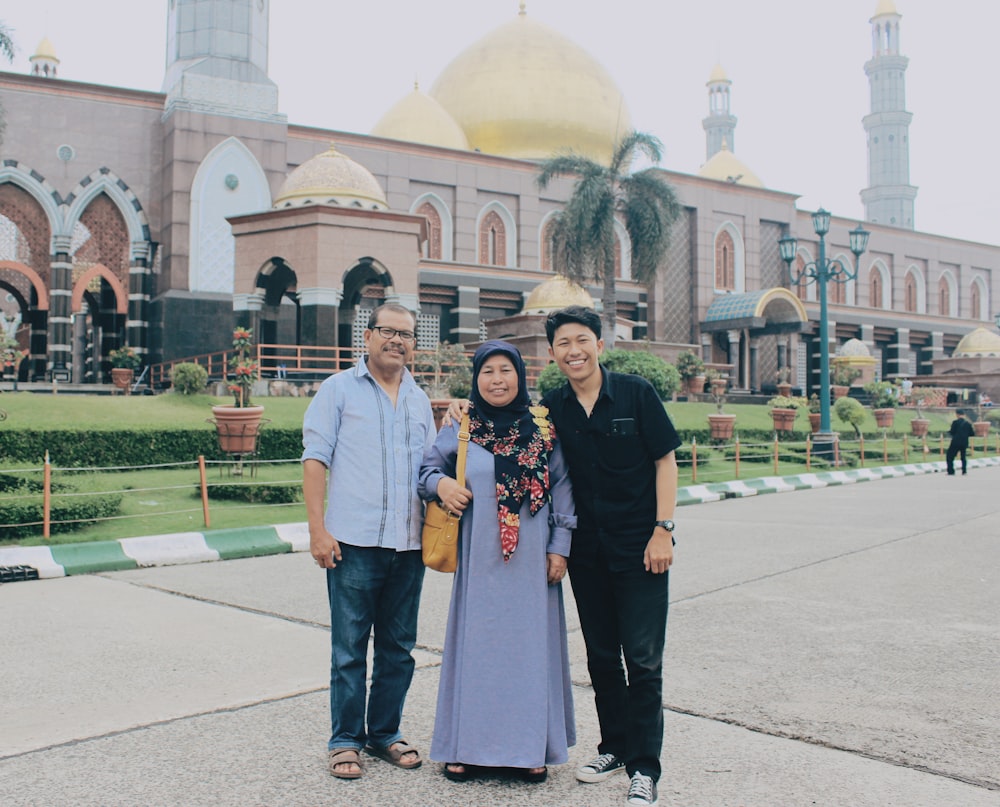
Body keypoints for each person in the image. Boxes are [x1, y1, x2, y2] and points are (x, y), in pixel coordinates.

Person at [419, 340, 577, 784]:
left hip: (532, 561)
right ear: (476, 378)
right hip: (479, 558)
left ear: (520, 376)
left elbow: (563, 486)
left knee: (529, 651)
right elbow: (427, 470)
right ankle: (465, 748)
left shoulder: (544, 429)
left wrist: (559, 545)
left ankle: (529, 748)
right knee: (478, 648)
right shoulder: (463, 426)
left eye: (505, 370)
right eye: (487, 371)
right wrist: (443, 487)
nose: (497, 380)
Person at [541, 306, 681, 807]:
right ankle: (614, 747)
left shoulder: (636, 394)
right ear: (553, 352)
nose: (573, 350)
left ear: (600, 345)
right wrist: (460, 414)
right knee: (601, 656)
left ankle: (645, 767)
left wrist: (663, 530)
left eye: (582, 340)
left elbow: (666, 461)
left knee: (642, 661)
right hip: (587, 553)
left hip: (642, 549)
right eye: (563, 343)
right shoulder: (552, 405)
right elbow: (509, 433)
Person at [301, 303, 436, 780]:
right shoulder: (338, 390)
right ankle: (344, 740)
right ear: (368, 336)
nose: (397, 340)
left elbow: (430, 470)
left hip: (408, 545)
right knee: (350, 648)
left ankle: (383, 733)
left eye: (406, 334)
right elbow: (315, 458)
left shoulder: (420, 399)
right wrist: (318, 529)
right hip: (352, 542)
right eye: (387, 331)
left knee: (399, 649)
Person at [946, 407, 975, 476]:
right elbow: (972, 434)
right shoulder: (968, 424)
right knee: (963, 457)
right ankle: (964, 471)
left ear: (957, 414)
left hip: (955, 442)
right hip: (964, 442)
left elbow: (952, 432)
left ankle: (951, 471)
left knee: (949, 456)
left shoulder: (955, 423)